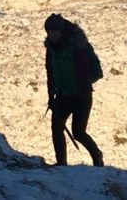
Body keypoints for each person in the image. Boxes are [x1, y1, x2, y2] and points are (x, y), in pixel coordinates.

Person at [43, 14, 104, 167]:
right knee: (56, 127)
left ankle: (97, 155)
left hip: (81, 96)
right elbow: (50, 72)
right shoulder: (51, 48)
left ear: (62, 31)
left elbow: (97, 71)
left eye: (54, 31)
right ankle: (61, 163)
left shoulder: (79, 45)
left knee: (78, 132)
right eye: (49, 32)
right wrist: (51, 96)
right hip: (63, 96)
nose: (51, 35)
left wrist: (82, 84)